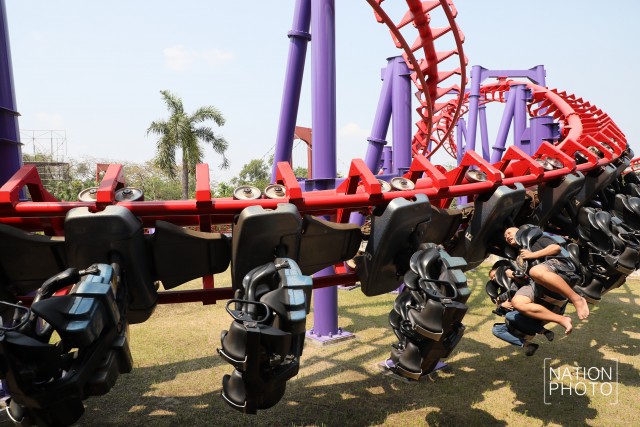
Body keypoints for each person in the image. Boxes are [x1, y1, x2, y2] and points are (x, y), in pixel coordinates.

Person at [504, 226, 589, 320]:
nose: (507, 237)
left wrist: (532, 255)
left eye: (509, 233)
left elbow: (556, 248)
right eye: (505, 237)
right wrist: (514, 275)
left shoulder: (536, 239)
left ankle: (576, 299)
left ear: (519, 232)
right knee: (517, 302)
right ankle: (561, 320)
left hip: (558, 266)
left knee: (535, 271)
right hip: (537, 280)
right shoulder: (518, 255)